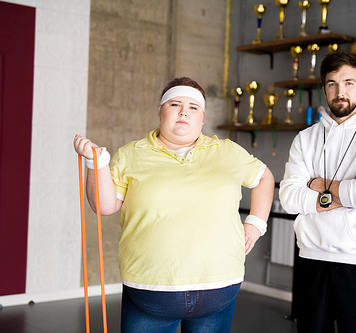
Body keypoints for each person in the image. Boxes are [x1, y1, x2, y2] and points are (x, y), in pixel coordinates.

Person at [73, 77, 274, 333]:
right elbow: (104, 206)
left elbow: (264, 177)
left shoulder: (228, 152)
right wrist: (97, 163)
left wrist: (255, 225)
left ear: (202, 118)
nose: (183, 112)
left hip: (219, 287)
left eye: (193, 107)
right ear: (160, 111)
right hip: (150, 291)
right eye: (175, 104)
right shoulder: (130, 155)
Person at [279, 51, 356, 333]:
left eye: (349, 82)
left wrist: (318, 185)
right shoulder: (306, 138)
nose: (340, 91)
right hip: (311, 259)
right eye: (332, 83)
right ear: (324, 89)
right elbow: (288, 197)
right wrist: (343, 194)